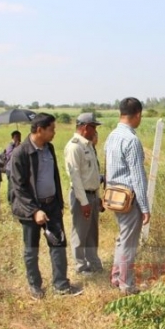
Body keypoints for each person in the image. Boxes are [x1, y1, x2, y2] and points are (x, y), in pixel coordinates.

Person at [9, 113, 82, 300]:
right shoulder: (21, 153)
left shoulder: (49, 148)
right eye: (51, 129)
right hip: (30, 210)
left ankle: (61, 285)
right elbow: (18, 187)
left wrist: (57, 202)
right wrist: (34, 211)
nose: (54, 133)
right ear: (39, 130)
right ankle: (35, 286)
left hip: (51, 206)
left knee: (58, 245)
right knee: (31, 249)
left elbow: (54, 177)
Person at [104, 97, 150, 295]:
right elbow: (137, 177)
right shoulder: (131, 140)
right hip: (129, 198)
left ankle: (116, 277)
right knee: (129, 243)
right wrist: (145, 207)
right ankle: (127, 285)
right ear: (138, 114)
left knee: (122, 239)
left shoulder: (112, 136)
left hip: (114, 196)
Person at [64, 112, 104, 275]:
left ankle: (93, 262)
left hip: (92, 195)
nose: (95, 131)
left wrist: (98, 197)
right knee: (80, 233)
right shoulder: (75, 146)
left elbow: (92, 175)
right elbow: (76, 178)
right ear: (85, 127)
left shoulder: (88, 145)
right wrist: (83, 202)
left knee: (92, 233)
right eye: (93, 127)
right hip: (82, 196)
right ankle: (80, 266)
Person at [4, 130, 22, 204]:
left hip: (18, 169)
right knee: (11, 186)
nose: (18, 138)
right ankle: (10, 201)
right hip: (10, 169)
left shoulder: (21, 145)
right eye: (16, 137)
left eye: (19, 137)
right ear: (13, 137)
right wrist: (16, 148)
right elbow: (9, 155)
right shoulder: (10, 145)